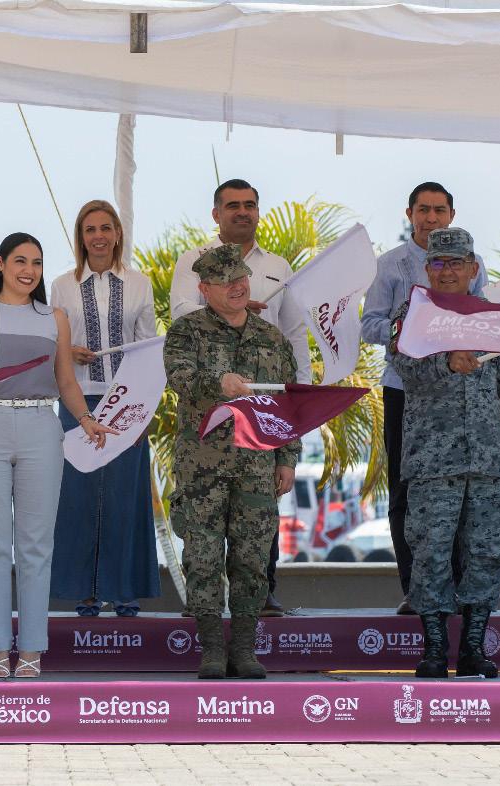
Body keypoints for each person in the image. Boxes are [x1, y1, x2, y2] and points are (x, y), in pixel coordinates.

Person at [0, 232, 117, 679]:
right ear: (0, 263)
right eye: (20, 261)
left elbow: (66, 380)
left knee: (37, 545)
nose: (29, 270)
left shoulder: (54, 317)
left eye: (37, 263)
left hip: (41, 427)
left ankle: (32, 648)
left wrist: (86, 419)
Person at [388, 227, 500, 679]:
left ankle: (472, 647)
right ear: (427, 268)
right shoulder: (413, 313)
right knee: (430, 552)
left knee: (487, 551)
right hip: (432, 460)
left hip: (488, 458)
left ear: (473, 268)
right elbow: (403, 363)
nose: (447, 271)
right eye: (439, 263)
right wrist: (445, 360)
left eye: (456, 263)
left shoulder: (492, 317)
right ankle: (434, 647)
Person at [169, 178, 310, 616]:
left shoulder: (279, 265)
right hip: (208, 430)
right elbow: (181, 312)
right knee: (204, 538)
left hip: (262, 420)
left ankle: (261, 596)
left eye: (250, 205)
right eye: (233, 205)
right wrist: (231, 308)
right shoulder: (193, 260)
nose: (242, 212)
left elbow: (294, 332)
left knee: (258, 526)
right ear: (217, 214)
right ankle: (206, 616)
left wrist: (300, 395)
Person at [164, 244, 299, 680]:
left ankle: (244, 648)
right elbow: (180, 377)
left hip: (257, 467)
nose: (237, 287)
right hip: (202, 467)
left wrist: (288, 459)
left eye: (240, 278)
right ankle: (211, 650)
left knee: (252, 560)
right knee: (202, 558)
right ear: (204, 289)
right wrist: (216, 383)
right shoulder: (186, 332)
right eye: (224, 282)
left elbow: (287, 403)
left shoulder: (272, 339)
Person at [361, 182, 488, 614]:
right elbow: (370, 325)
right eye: (423, 210)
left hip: (462, 395)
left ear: (451, 215)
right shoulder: (389, 264)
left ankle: (458, 589)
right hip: (405, 390)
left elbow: (481, 316)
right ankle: (414, 590)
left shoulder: (474, 263)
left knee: (463, 493)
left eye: (439, 210)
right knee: (404, 491)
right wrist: (416, 331)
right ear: (409, 214)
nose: (431, 218)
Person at [48, 199, 160, 617]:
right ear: (81, 237)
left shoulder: (139, 283)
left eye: (105, 228)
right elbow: (51, 345)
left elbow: (149, 348)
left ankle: (123, 590)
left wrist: (145, 409)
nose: (98, 236)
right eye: (90, 229)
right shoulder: (61, 285)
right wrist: (68, 351)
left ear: (117, 234)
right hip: (77, 399)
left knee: (123, 496)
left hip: (127, 400)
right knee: (77, 495)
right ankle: (85, 592)